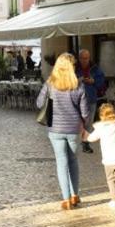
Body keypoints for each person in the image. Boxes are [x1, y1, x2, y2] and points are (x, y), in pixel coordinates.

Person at [35, 54, 90, 210]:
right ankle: (74, 195)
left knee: (61, 162)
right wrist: (83, 123)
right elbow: (85, 112)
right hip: (73, 129)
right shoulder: (78, 85)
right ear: (72, 67)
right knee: (73, 161)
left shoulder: (50, 84)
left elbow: (39, 104)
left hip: (55, 129)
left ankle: (65, 199)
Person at [77, 49, 107, 153]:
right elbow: (69, 81)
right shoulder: (75, 68)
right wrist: (78, 80)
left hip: (91, 98)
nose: (84, 60)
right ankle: (77, 141)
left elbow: (101, 81)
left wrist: (93, 81)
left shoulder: (95, 69)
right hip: (77, 100)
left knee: (89, 122)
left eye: (86, 58)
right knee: (79, 121)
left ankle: (86, 143)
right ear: (79, 58)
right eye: (82, 58)